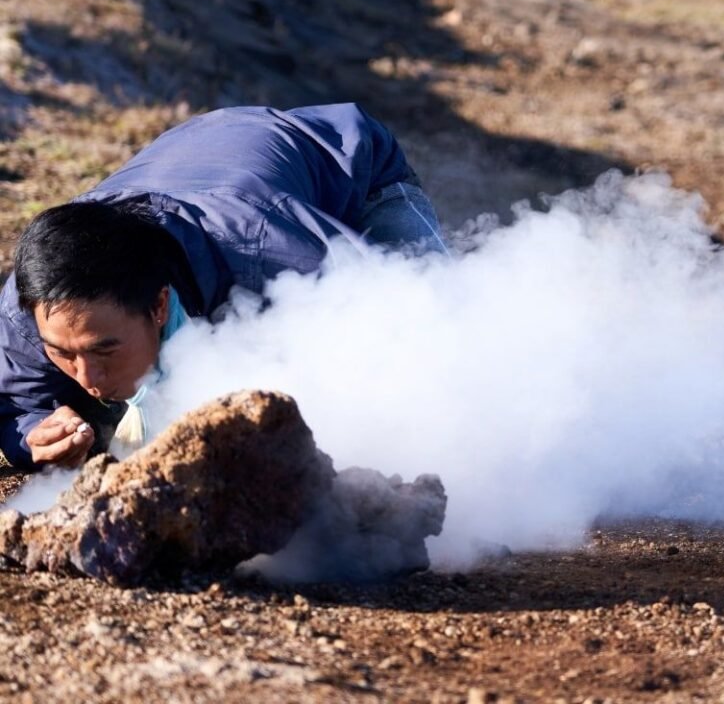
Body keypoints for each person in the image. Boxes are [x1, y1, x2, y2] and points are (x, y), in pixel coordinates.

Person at [0, 103, 447, 471]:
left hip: (348, 168)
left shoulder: (278, 257)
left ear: (158, 305)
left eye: (103, 351)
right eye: (63, 353)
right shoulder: (34, 302)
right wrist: (35, 433)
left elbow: (396, 347)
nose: (88, 379)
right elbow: (15, 404)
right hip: (198, 158)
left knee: (438, 327)